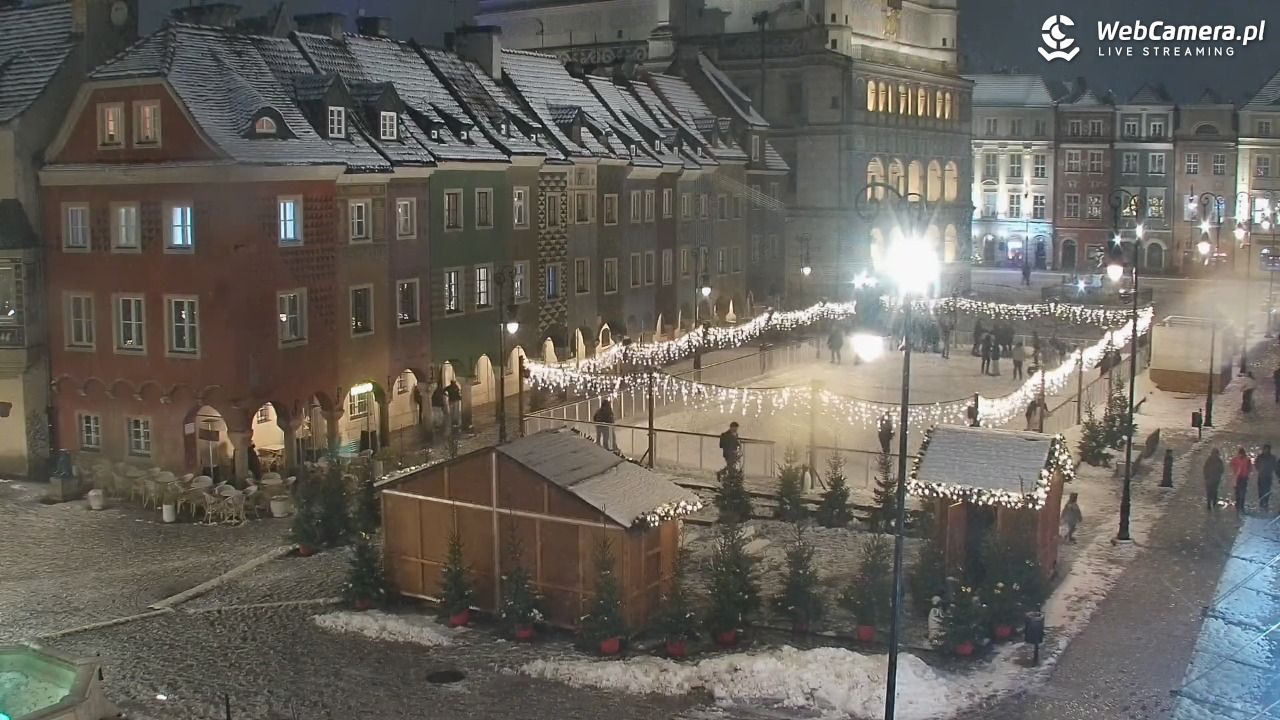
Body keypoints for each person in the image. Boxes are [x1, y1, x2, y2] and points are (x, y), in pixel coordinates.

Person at [1231, 447, 1252, 514]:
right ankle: (1238, 504)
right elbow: (1231, 465)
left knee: (1243, 492)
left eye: (1242, 454)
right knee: (1237, 491)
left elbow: (1250, 467)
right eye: (1240, 454)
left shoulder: (1247, 460)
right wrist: (1235, 471)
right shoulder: (1235, 459)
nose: (1241, 455)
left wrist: (1247, 473)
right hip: (1238, 477)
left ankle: (1241, 505)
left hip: (1244, 477)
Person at [1257, 443, 1275, 513]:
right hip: (1261, 476)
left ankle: (1266, 504)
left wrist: (1270, 470)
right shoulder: (1260, 457)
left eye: (1267, 449)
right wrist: (1260, 469)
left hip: (1268, 477)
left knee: (1267, 491)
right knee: (1260, 491)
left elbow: (1275, 466)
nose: (1266, 450)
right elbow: (1256, 464)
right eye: (1265, 449)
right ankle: (1261, 504)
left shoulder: (1272, 457)